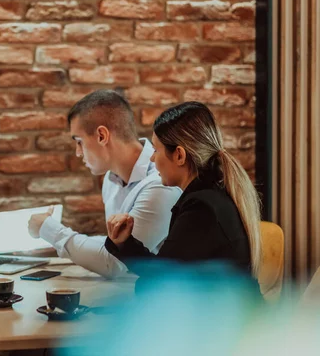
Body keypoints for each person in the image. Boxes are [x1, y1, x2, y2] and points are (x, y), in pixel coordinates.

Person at [27, 90, 181, 278]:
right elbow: (113, 243)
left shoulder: (160, 183)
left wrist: (49, 229)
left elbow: (113, 263)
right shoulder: (111, 179)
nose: (77, 153)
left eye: (79, 142)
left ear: (101, 136)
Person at [105, 102, 262, 278]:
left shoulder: (201, 209)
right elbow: (166, 269)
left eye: (156, 150)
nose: (152, 157)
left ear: (179, 155)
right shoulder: (209, 196)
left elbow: (162, 283)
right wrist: (125, 243)